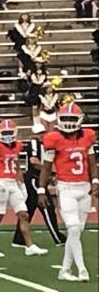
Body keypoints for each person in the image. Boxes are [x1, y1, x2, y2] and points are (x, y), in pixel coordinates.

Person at [37, 102, 95, 281]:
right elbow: (46, 168)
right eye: (66, 118)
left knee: (76, 231)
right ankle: (82, 269)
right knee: (74, 228)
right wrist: (41, 189)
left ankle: (64, 270)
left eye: (72, 118)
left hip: (84, 188)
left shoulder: (87, 136)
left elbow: (92, 162)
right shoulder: (54, 138)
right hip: (67, 188)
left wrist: (96, 181)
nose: (69, 122)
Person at [0, 120, 48, 257]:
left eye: (9, 132)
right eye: (5, 133)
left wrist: (22, 183)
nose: (7, 135)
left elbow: (17, 166)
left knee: (24, 214)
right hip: (1, 183)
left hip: (13, 183)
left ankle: (29, 246)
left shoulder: (17, 146)